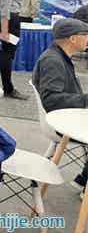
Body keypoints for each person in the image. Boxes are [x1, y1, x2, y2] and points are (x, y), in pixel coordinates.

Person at [32, 18, 88, 196]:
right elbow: (52, 100)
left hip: (66, 116)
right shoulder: (53, 61)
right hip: (61, 122)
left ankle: (82, 181)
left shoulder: (58, 57)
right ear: (72, 38)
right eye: (85, 34)